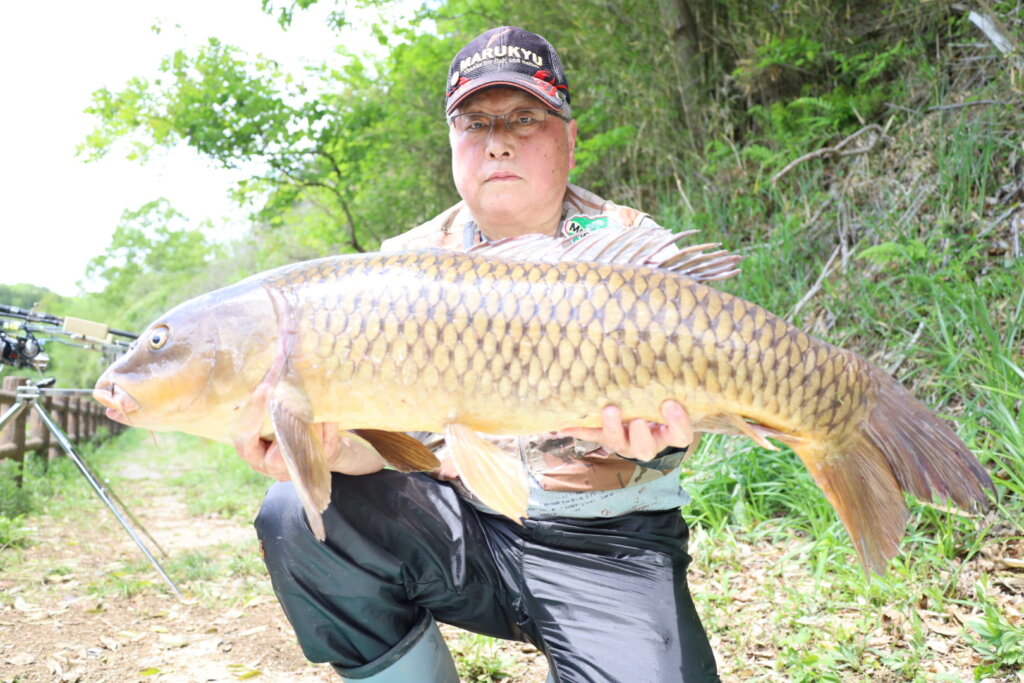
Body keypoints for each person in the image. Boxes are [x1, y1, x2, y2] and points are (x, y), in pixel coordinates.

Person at [243, 26, 719, 682]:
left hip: (612, 544)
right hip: (464, 530)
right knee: (297, 510)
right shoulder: (398, 268)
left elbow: (688, 425)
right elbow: (387, 447)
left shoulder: (635, 255)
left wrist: (659, 445)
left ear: (570, 138)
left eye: (525, 117)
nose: (498, 139)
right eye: (475, 121)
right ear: (453, 144)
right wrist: (330, 451)